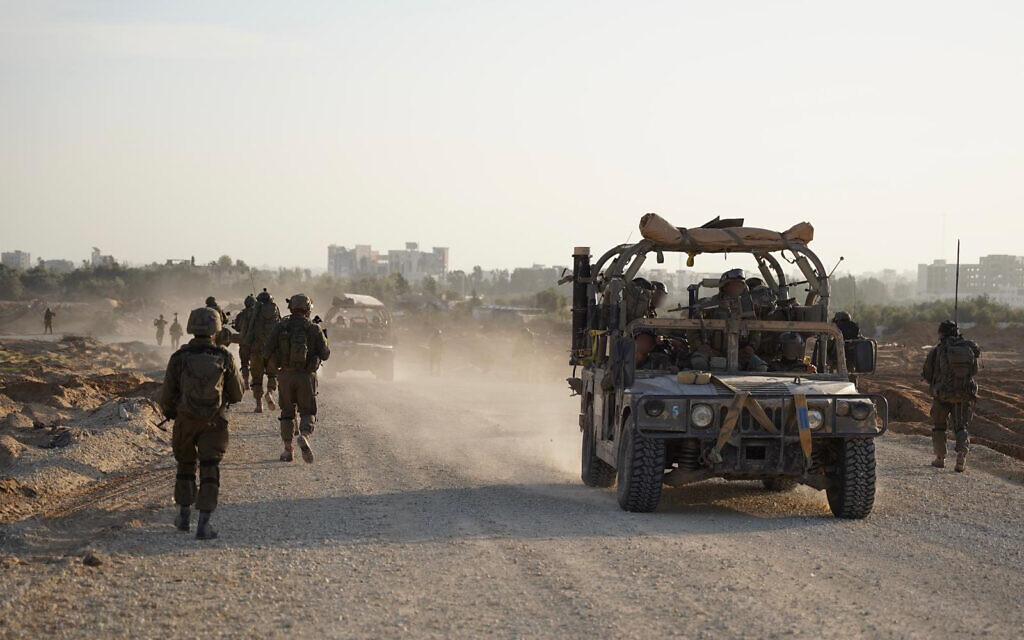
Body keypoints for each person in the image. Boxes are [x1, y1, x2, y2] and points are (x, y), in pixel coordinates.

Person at [158, 307, 244, 540]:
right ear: (216, 328)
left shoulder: (179, 357)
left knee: (185, 467)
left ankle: (184, 516)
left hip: (185, 420)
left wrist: (172, 411)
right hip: (214, 422)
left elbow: (166, 395)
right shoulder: (225, 357)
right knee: (209, 469)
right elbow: (237, 394)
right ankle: (204, 525)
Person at [264, 293, 330, 463]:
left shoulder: (280, 326)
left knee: (287, 413)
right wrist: (325, 337)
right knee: (307, 411)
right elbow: (325, 354)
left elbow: (266, 350)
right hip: (306, 377)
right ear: (308, 308)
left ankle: (288, 450)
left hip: (285, 375)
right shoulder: (313, 328)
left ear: (291, 307)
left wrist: (275, 367)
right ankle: (305, 435)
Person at [921, 320, 981, 472]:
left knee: (939, 426)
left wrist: (938, 383)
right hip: (963, 394)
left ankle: (940, 458)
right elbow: (974, 371)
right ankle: (961, 457)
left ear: (941, 333)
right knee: (961, 427)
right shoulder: (968, 348)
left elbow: (927, 373)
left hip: (942, 395)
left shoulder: (937, 350)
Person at [244, 289, 281, 413]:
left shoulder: (253, 313)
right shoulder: (275, 311)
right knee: (272, 375)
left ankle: (259, 405)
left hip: (256, 350)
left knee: (257, 378)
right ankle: (269, 393)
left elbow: (245, 331)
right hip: (272, 351)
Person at [232, 294, 256, 391]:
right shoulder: (257, 315)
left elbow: (237, 328)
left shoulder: (241, 315)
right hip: (255, 343)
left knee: (244, 363)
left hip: (244, 343)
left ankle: (246, 382)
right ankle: (254, 381)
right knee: (255, 363)